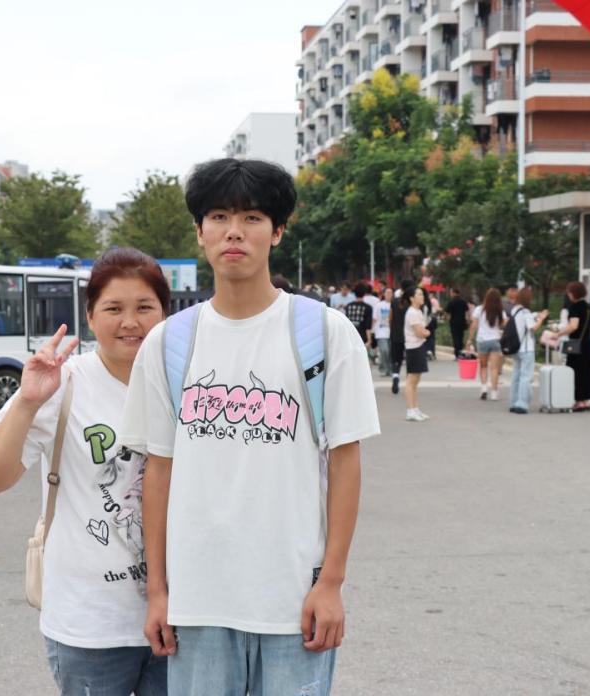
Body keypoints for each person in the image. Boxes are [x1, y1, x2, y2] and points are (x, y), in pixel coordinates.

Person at [121, 158, 380, 696]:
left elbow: (346, 460)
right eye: (218, 217)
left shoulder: (324, 333)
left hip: (293, 602)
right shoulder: (169, 342)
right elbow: (158, 472)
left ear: (278, 231)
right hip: (198, 603)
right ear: (200, 231)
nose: (233, 231)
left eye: (252, 217)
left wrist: (331, 582)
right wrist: (158, 592)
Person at [0, 248, 170, 696]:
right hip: (90, 624)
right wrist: (27, 402)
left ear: (165, 313)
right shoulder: (64, 383)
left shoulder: (185, 384)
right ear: (90, 315)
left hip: (180, 615)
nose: (130, 322)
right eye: (114, 308)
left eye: (144, 307)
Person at [508, 287, 550, 415]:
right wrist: (541, 319)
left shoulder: (515, 310)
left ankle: (514, 402)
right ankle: (522, 404)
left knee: (516, 375)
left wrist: (537, 315)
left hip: (516, 348)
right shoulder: (525, 312)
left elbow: (526, 319)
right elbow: (533, 328)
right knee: (526, 376)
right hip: (526, 348)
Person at [555, 281, 590, 411]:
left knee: (575, 372)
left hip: (575, 344)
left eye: (569, 292)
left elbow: (573, 326)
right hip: (587, 343)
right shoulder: (588, 307)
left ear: (572, 293)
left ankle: (578, 401)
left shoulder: (574, 307)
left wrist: (558, 334)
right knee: (586, 371)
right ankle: (586, 400)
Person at [469, 288, 507, 401]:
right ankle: (494, 393)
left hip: (482, 341)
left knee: (483, 366)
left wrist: (469, 339)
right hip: (495, 340)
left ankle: (484, 389)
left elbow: (474, 325)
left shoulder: (479, 309)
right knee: (494, 369)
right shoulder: (500, 311)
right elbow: (504, 324)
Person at [403, 287, 431, 422]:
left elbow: (422, 330)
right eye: (419, 294)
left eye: (422, 294)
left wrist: (425, 332)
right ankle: (410, 411)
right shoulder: (412, 313)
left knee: (416, 380)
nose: (422, 296)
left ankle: (415, 408)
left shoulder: (418, 311)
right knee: (411, 380)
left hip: (418, 346)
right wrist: (428, 332)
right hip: (413, 347)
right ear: (411, 298)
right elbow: (420, 332)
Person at [388, 278, 416, 394]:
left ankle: (395, 376)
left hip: (396, 335)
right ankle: (409, 384)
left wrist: (393, 329)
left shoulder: (394, 301)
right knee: (410, 360)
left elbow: (390, 318)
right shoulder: (412, 303)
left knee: (396, 359)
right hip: (409, 337)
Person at [343, 282, 374, 348]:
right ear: (364, 293)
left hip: (349, 338)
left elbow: (346, 323)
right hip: (362, 338)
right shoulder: (368, 307)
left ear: (354, 293)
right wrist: (369, 340)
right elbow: (368, 326)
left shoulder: (348, 306)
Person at [372, 287, 393, 377]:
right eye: (387, 293)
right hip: (381, 332)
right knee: (384, 350)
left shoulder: (394, 304)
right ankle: (383, 368)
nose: (389, 295)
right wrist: (372, 331)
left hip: (392, 332)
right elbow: (374, 319)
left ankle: (390, 370)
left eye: (391, 293)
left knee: (390, 352)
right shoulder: (379, 305)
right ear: (384, 294)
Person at [444, 288, 469, 359]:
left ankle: (457, 354)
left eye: (451, 292)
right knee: (461, 338)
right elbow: (467, 312)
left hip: (454, 323)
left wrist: (446, 318)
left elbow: (446, 312)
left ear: (454, 293)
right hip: (462, 322)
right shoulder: (463, 302)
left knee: (455, 338)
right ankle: (461, 353)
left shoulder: (451, 302)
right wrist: (467, 320)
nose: (450, 294)